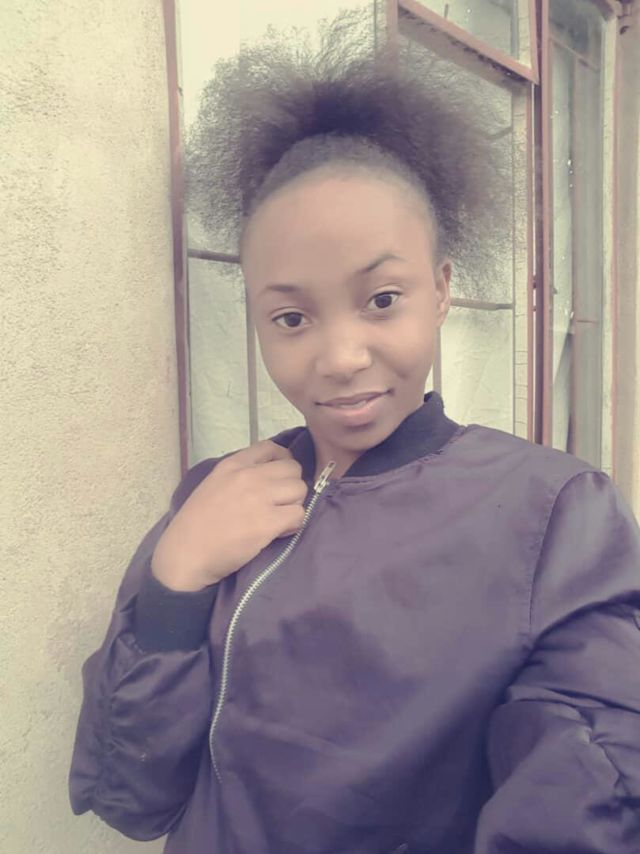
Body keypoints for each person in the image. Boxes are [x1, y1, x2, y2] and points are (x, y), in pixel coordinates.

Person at [68, 9, 640, 853]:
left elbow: (590, 796)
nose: (340, 357)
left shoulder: (554, 517)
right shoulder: (215, 498)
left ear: (442, 289)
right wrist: (174, 583)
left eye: (382, 299)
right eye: (292, 317)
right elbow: (134, 798)